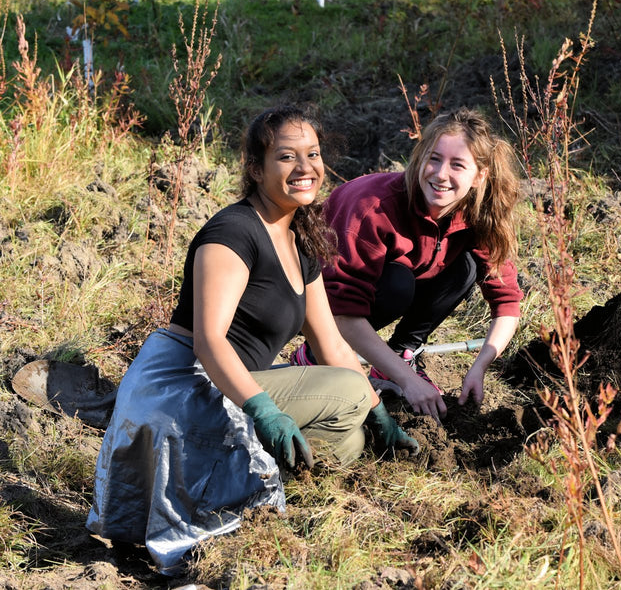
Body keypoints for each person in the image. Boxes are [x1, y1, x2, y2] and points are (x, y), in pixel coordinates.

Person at [86, 105, 416, 574]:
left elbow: (331, 344)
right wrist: (264, 409)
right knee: (343, 394)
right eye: (286, 157)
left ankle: (247, 476)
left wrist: (379, 412)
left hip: (226, 380)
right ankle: (229, 487)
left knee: (350, 442)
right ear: (256, 169)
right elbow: (209, 342)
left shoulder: (299, 236)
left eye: (313, 154)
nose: (305, 169)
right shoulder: (232, 233)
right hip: (183, 385)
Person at [291, 107, 523, 422]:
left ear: (479, 176)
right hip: (313, 298)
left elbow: (507, 302)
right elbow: (342, 312)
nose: (441, 174)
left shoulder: (477, 215)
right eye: (434, 158)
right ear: (420, 157)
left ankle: (402, 352)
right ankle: (315, 354)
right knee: (399, 284)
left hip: (385, 287)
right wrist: (408, 380)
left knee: (467, 266)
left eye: (457, 165)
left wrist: (480, 366)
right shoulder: (373, 208)